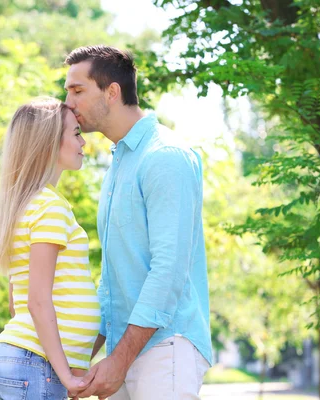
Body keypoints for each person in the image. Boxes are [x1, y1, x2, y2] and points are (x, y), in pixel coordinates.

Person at [63, 45, 212, 400]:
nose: (68, 102)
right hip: (124, 349)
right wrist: (81, 356)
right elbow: (111, 282)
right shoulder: (119, 163)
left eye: (77, 90)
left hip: (166, 348)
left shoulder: (165, 157)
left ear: (112, 92)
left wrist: (119, 359)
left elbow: (168, 271)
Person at [0, 98, 99, 400]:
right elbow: (37, 301)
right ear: (50, 143)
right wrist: (64, 373)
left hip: (24, 360)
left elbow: (17, 302)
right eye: (76, 133)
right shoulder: (49, 208)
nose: (84, 142)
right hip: (36, 364)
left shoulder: (25, 205)